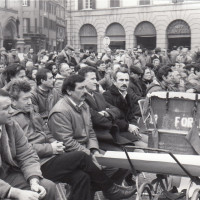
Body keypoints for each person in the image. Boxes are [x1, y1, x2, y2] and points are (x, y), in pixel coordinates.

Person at [9, 79, 136, 200]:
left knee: (82, 177)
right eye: (25, 99)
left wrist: (54, 142)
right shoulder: (12, 121)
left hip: (49, 157)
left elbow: (46, 132)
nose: (29, 102)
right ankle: (110, 189)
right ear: (13, 102)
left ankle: (110, 189)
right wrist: (50, 148)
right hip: (36, 165)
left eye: (30, 98)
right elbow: (23, 149)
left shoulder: (30, 111)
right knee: (81, 157)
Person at [48, 75, 130, 186]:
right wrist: (90, 155)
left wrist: (94, 150)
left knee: (122, 163)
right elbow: (67, 143)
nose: (85, 91)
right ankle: (105, 190)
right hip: (72, 155)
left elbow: (90, 131)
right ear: (69, 91)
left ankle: (107, 191)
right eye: (81, 88)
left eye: (85, 88)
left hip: (87, 149)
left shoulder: (83, 105)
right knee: (105, 167)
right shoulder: (60, 111)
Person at [0, 89, 56, 200]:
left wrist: (33, 180)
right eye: (6, 108)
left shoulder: (11, 125)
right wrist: (13, 192)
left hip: (7, 175)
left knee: (48, 187)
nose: (12, 111)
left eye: (11, 106)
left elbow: (26, 154)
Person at [103, 68, 148, 147]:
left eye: (127, 80)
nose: (124, 83)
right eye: (121, 80)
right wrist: (128, 126)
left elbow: (131, 115)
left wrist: (134, 126)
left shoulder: (127, 95)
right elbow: (110, 120)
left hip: (128, 130)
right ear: (114, 81)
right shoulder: (107, 96)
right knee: (145, 146)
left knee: (152, 142)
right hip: (116, 133)